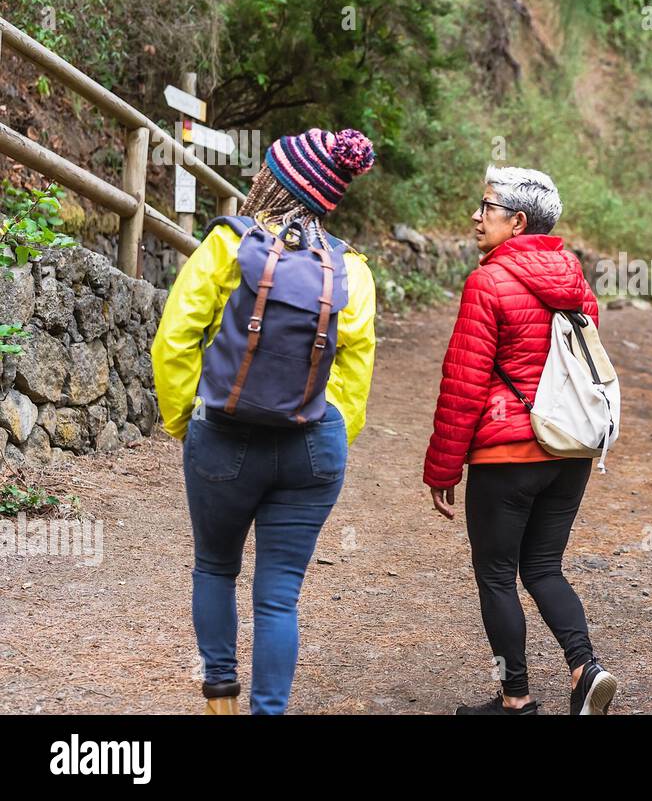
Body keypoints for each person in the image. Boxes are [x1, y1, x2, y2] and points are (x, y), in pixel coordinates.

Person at [152, 128, 377, 714]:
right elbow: (355, 367)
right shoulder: (351, 267)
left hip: (224, 438)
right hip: (311, 448)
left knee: (216, 567)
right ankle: (268, 712)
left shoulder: (229, 244)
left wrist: (186, 421)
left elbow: (175, 338)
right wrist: (329, 434)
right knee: (279, 598)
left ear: (275, 183)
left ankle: (220, 698)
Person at [424, 166, 617, 715]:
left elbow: (464, 382)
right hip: (570, 450)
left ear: (518, 221)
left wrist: (442, 469)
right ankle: (586, 669)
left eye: (486, 207)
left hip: (508, 453)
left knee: (495, 575)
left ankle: (517, 699)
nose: (475, 216)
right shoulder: (575, 283)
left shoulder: (488, 282)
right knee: (544, 567)